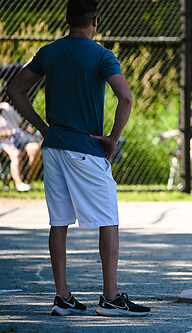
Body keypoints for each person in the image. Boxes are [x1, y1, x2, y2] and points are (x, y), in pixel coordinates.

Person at [7, 0, 150, 316]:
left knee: (59, 222)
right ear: (95, 20)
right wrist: (112, 138)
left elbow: (15, 90)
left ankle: (63, 297)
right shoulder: (101, 55)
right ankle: (111, 297)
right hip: (84, 149)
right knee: (108, 219)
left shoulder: (49, 52)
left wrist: (43, 126)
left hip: (54, 148)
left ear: (68, 19)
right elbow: (125, 97)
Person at [0, 102, 41, 191]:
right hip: (3, 142)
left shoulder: (6, 107)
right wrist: (5, 134)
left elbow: (21, 125)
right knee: (16, 154)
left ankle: (29, 183)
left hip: (20, 139)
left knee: (35, 148)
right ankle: (19, 184)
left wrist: (35, 133)